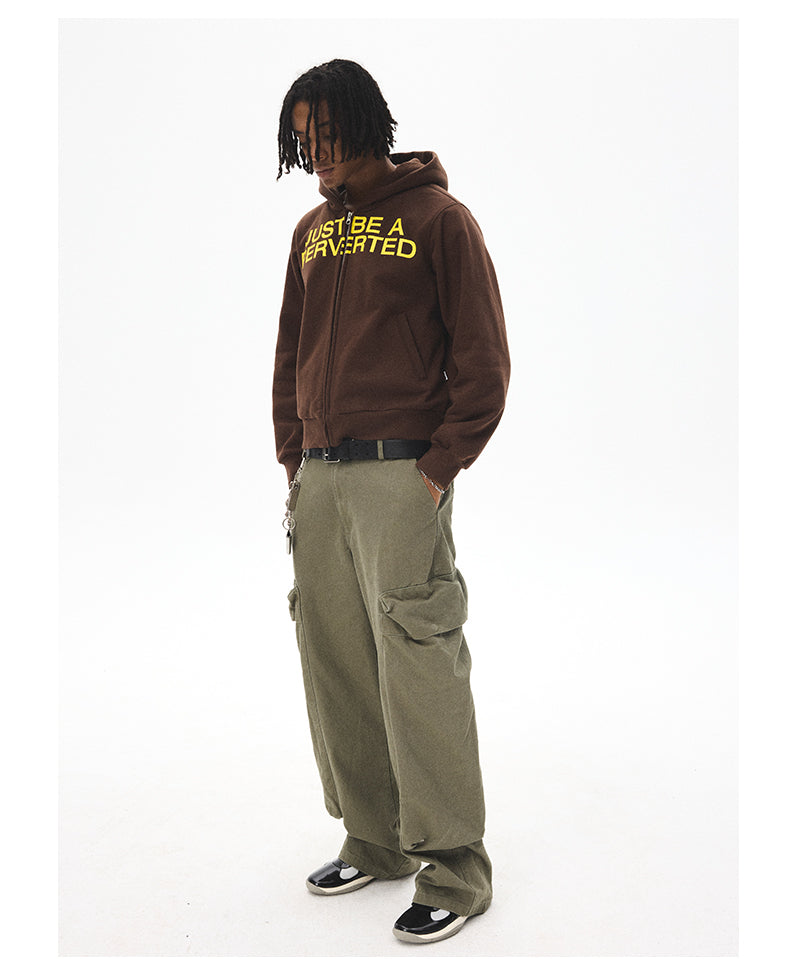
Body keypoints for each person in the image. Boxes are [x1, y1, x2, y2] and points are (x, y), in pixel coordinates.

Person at [273, 58, 509, 945]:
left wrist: (437, 468)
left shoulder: (440, 220)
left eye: (328, 134)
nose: (317, 154)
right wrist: (294, 461)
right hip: (321, 478)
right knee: (334, 657)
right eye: (304, 141)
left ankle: (455, 866)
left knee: (418, 662)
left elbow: (484, 362)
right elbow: (288, 354)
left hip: (400, 474)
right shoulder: (309, 234)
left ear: (368, 125)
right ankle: (374, 839)